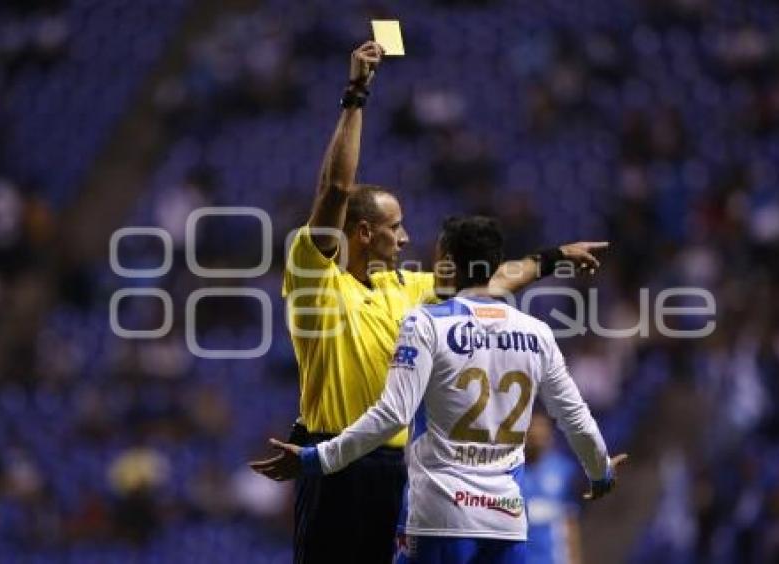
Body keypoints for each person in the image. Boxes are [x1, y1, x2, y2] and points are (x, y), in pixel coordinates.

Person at [269, 40, 609, 564]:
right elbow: (335, 188)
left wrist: (555, 256)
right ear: (360, 233)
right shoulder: (317, 279)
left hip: (406, 472)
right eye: (394, 227)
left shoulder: (409, 287)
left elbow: (492, 280)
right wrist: (356, 94)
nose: (406, 238)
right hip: (338, 465)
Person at [253, 216, 628, 564]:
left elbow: (392, 415)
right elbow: (573, 414)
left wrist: (314, 459)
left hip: (439, 516)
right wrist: (600, 472)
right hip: (506, 521)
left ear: (448, 262)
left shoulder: (426, 323)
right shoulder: (537, 333)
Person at [523, 411, 583, 564]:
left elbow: (571, 521)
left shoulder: (564, 470)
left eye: (542, 427)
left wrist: (575, 560)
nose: (537, 433)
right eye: (532, 428)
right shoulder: (509, 473)